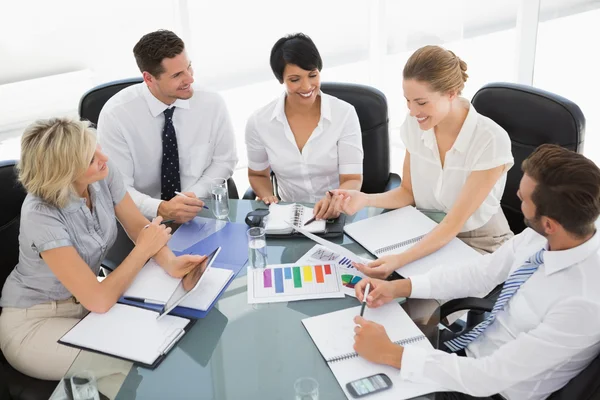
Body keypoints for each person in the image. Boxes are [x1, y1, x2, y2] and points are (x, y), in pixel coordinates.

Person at [352, 144, 600, 400]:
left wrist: (391, 354)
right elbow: (480, 273)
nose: (516, 194)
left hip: (491, 391)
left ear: (550, 224)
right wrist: (400, 287)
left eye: (524, 198)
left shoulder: (583, 303)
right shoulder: (547, 235)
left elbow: (487, 377)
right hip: (469, 354)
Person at [0, 118, 207, 381]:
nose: (104, 157)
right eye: (90, 158)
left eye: (97, 148)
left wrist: (171, 263)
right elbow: (98, 299)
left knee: (164, 336)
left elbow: (138, 227)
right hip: (35, 324)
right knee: (128, 365)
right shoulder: (41, 215)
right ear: (63, 170)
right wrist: (143, 251)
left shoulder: (102, 175)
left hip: (85, 308)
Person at [334, 45, 513, 278]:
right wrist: (365, 199)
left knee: (411, 301)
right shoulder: (417, 125)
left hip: (480, 243)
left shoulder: (490, 139)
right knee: (368, 280)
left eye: (421, 102)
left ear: (451, 93)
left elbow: (452, 224)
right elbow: (408, 192)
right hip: (428, 232)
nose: (412, 111)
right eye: (408, 101)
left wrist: (398, 260)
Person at [98, 29, 238, 224]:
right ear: (148, 78)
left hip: (198, 208)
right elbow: (118, 186)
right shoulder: (116, 115)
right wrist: (161, 208)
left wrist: (189, 199)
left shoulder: (211, 103)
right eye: (177, 75)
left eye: (189, 67)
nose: (190, 79)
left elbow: (224, 160)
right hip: (141, 218)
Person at [245, 33, 363, 220]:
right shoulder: (259, 122)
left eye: (312, 75)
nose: (307, 86)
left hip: (338, 212)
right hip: (289, 218)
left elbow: (352, 179)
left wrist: (335, 202)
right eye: (295, 79)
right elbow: (258, 175)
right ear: (281, 79)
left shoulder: (344, 114)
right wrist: (267, 195)